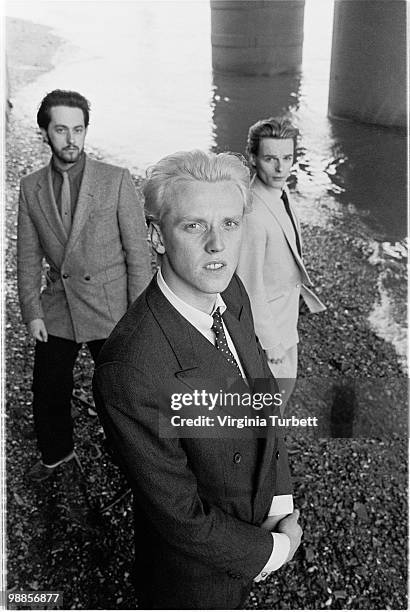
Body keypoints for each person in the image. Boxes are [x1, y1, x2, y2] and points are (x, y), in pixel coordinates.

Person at [93, 150, 302, 610]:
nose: (218, 246)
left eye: (230, 223)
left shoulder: (230, 288)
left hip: (256, 523)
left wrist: (280, 501)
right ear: (157, 236)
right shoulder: (129, 369)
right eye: (194, 226)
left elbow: (263, 398)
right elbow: (181, 516)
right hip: (193, 579)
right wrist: (275, 550)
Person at [17, 89, 152, 481]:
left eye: (78, 129)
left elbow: (137, 254)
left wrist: (138, 315)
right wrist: (32, 311)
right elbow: (27, 256)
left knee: (122, 394)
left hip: (109, 307)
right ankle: (57, 453)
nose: (71, 139)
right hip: (59, 304)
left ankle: (138, 461)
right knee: (47, 387)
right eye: (61, 129)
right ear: (45, 132)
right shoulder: (30, 187)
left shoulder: (115, 180)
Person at [236, 117, 325, 403]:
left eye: (287, 158)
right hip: (268, 331)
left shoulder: (280, 191)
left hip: (286, 319)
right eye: (270, 159)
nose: (280, 168)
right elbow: (249, 287)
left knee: (275, 403)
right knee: (267, 410)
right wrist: (271, 343)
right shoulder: (253, 214)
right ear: (252, 158)